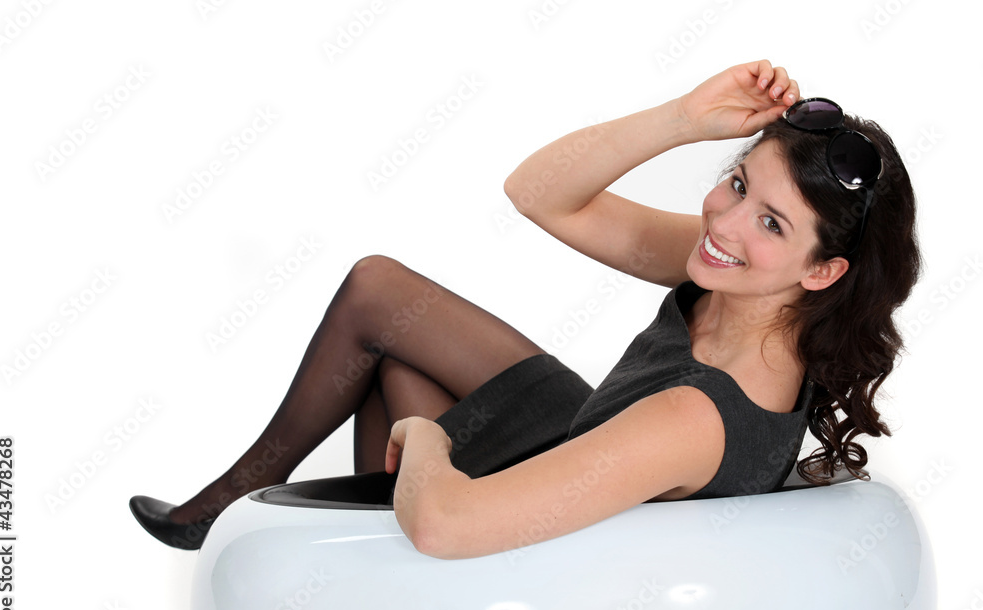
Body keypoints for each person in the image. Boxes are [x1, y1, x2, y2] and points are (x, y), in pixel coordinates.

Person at [130, 60, 920, 558]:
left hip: (569, 511)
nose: (724, 220)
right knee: (379, 290)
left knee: (398, 391)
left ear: (825, 269)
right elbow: (539, 193)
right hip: (589, 432)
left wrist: (426, 436)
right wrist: (682, 117)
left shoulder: (696, 416)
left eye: (771, 222)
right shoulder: (752, 282)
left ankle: (364, 577)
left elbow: (447, 524)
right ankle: (245, 495)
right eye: (739, 183)